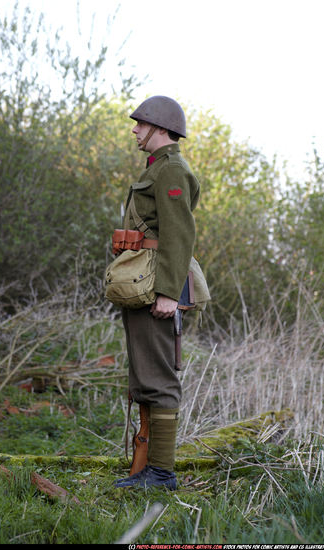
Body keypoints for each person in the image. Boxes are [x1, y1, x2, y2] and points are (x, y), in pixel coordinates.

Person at [114, 96, 200, 490]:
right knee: (145, 376)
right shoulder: (157, 169)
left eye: (140, 124)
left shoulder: (171, 170)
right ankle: (148, 469)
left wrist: (168, 293)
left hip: (158, 287)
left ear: (159, 128)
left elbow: (180, 236)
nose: (134, 130)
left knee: (160, 378)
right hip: (144, 283)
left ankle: (161, 474)